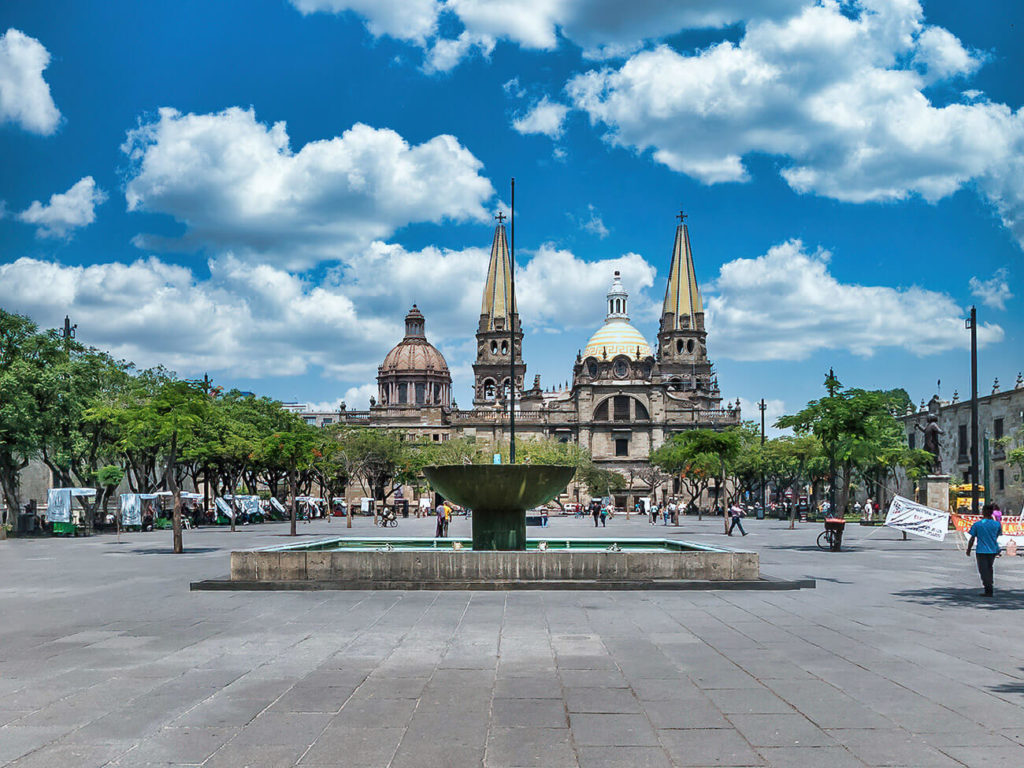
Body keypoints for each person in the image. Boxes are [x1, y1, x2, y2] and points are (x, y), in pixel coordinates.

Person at [966, 503, 1002, 597]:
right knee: (989, 568)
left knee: (983, 570)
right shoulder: (997, 524)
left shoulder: (978, 524)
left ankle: (988, 587)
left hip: (981, 550)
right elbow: (997, 535)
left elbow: (972, 538)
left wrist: (968, 549)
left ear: (983, 512)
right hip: (993, 550)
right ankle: (989, 584)